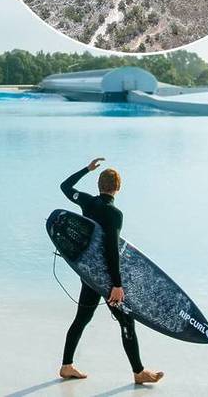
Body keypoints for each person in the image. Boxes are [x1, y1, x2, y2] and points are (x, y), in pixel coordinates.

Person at [58, 157, 163, 385]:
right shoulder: (114, 214)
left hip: (88, 275)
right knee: (126, 322)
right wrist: (116, 285)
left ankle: (66, 366)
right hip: (105, 279)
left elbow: (65, 186)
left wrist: (86, 169)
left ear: (99, 186)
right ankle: (139, 372)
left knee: (82, 319)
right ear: (118, 188)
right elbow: (112, 249)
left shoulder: (87, 202)